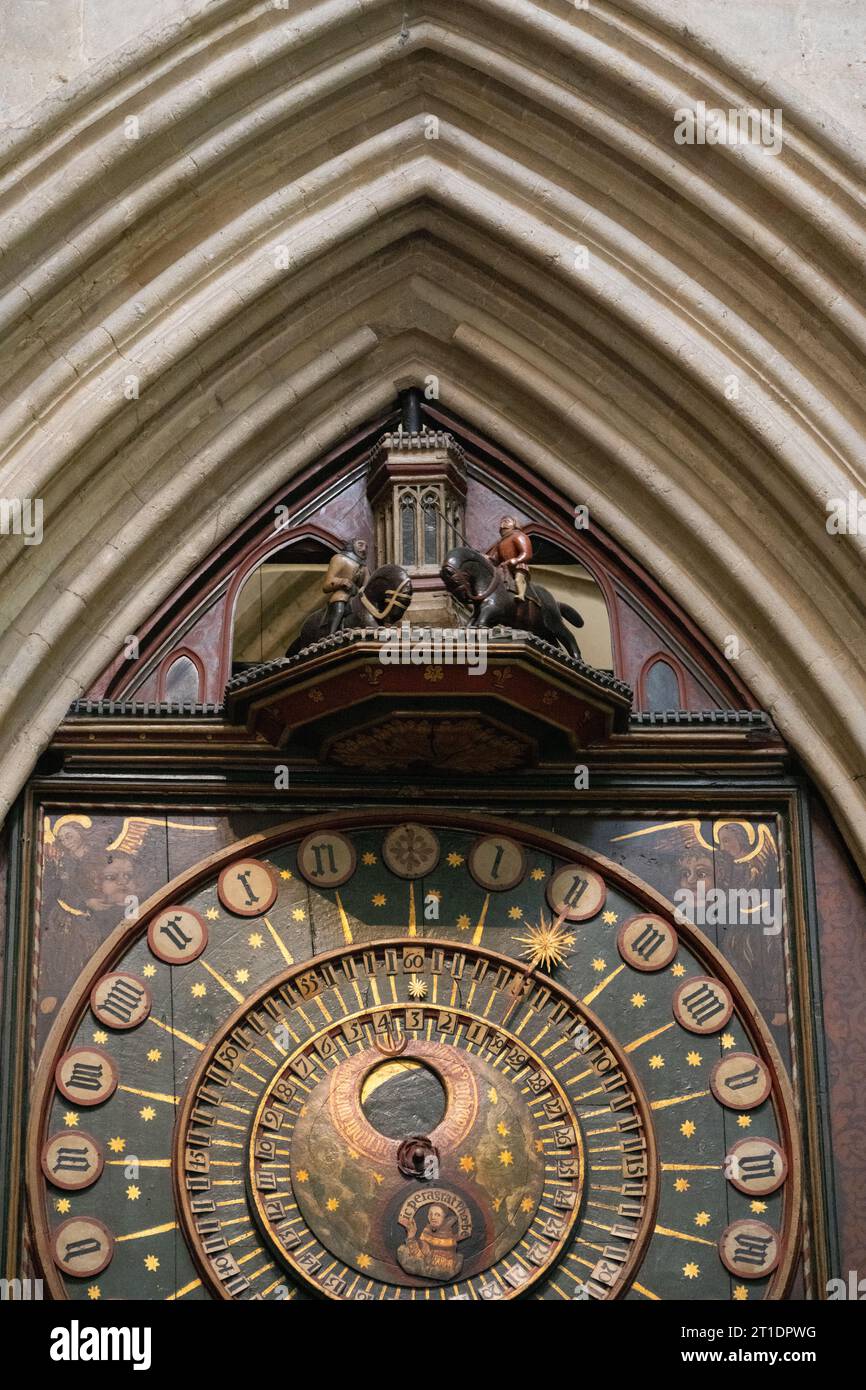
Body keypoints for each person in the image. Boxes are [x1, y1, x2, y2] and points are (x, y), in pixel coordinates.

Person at [322, 538, 369, 635]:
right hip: (343, 594)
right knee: (340, 607)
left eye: (366, 547)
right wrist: (341, 581)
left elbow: (367, 585)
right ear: (352, 546)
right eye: (360, 545)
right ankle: (330, 634)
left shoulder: (364, 567)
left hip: (358, 597)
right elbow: (326, 584)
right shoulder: (339, 559)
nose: (364, 549)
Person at [486, 516, 532, 602]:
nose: (502, 526)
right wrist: (488, 558)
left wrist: (516, 560)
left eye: (506, 522)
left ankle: (521, 594)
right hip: (505, 566)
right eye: (501, 523)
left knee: (518, 579)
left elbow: (526, 553)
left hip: (518, 565)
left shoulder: (518, 536)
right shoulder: (500, 542)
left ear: (515, 524)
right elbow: (495, 558)